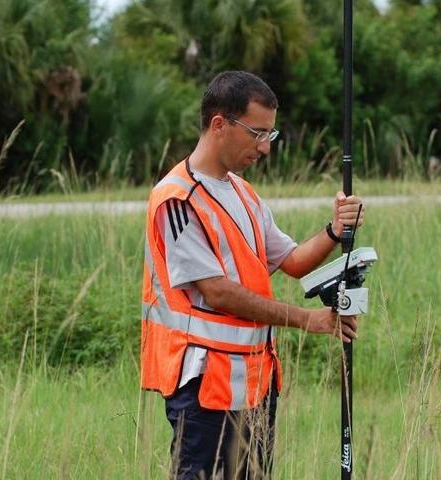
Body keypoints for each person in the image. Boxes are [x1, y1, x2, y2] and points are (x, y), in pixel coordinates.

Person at [141, 70, 365, 479]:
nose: (265, 147)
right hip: (205, 388)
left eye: (270, 134)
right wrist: (308, 320)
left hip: (255, 383)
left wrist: (335, 230)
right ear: (219, 124)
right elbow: (218, 292)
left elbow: (292, 261)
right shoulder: (176, 199)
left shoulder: (243, 193)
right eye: (257, 133)